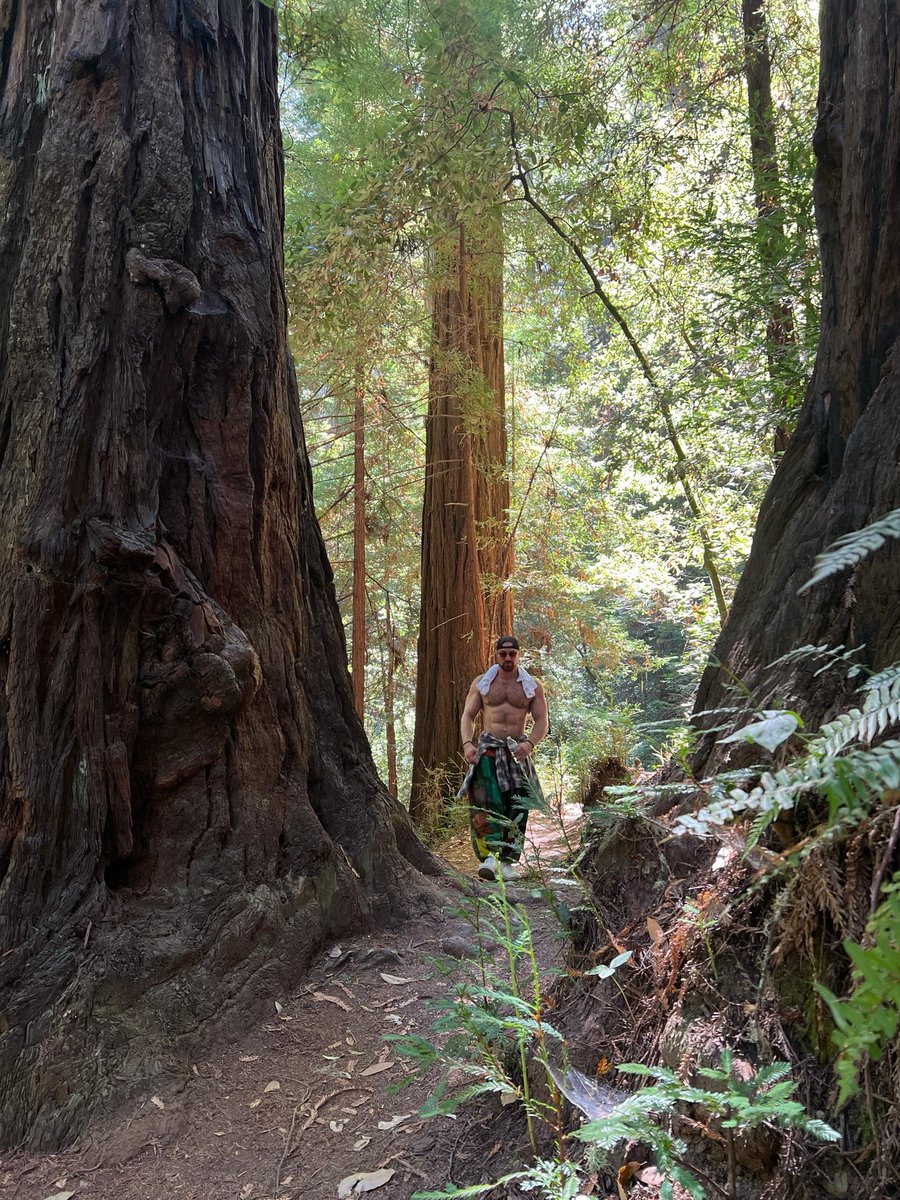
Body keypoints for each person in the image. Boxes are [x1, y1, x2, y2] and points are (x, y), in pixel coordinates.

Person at [458, 635, 549, 881]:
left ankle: (508, 862)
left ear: (518, 655)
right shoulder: (483, 683)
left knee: (517, 804)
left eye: (512, 654)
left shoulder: (531, 686)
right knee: (485, 802)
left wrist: (530, 743)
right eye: (503, 654)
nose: (508, 658)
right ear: (496, 655)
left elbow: (542, 720)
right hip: (488, 750)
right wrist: (468, 745)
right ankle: (490, 858)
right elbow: (468, 716)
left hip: (517, 752)